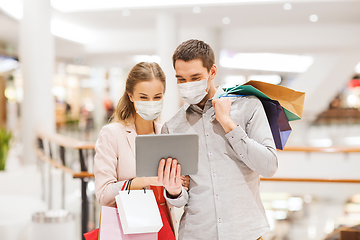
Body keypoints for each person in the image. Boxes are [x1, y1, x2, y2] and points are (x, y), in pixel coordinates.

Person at [157, 39, 278, 240]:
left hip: (245, 232)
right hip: (197, 233)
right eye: (181, 79)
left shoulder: (248, 107)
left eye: (195, 77)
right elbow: (180, 200)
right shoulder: (173, 127)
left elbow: (269, 166)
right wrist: (173, 189)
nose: (188, 85)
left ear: (212, 72)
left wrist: (228, 124)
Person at [94, 62, 181, 239]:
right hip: (130, 227)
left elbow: (177, 198)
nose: (151, 103)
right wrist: (142, 181)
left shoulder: (167, 132)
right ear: (131, 96)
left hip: (165, 224)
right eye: (143, 97)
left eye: (157, 97)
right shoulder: (112, 134)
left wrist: (175, 187)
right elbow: (103, 194)